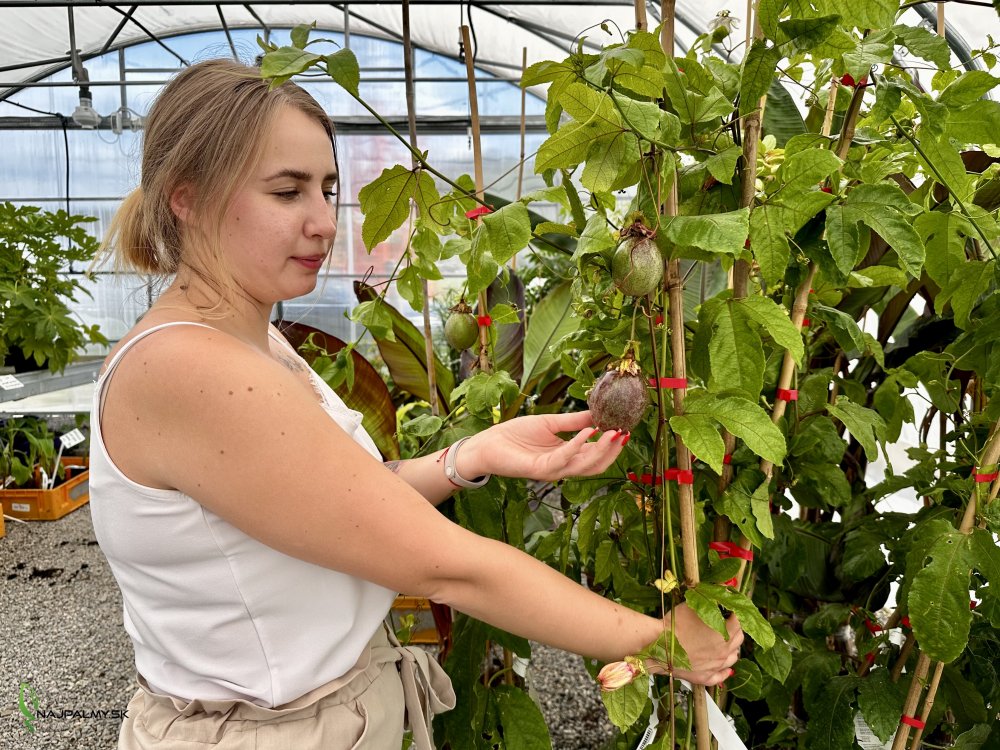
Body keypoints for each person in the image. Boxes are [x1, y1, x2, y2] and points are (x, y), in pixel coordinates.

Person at [90, 58, 743, 749]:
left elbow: (340, 505)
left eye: (327, 190)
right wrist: (656, 640)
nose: (323, 222)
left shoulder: (250, 341)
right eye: (287, 192)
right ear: (187, 200)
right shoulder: (191, 369)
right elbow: (444, 566)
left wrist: (472, 455)